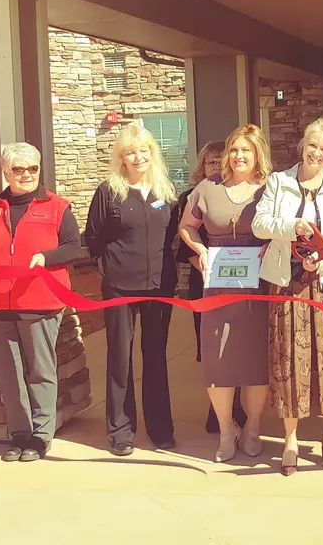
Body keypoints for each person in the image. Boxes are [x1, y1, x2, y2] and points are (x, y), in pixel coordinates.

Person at [253, 118, 323, 475]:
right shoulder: (279, 182)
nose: (317, 153)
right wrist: (292, 227)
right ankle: (290, 439)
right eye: (313, 145)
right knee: (290, 361)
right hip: (289, 283)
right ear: (302, 146)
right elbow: (259, 225)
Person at [0, 143, 80, 462]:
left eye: (32, 168)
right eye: (18, 169)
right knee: (9, 372)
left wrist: (45, 257)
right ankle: (19, 433)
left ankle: (41, 435)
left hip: (40, 301)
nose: (26, 174)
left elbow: (73, 246)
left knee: (40, 370)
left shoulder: (57, 206)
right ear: (5, 172)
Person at [84, 123, 179, 456]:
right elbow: (92, 240)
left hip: (159, 287)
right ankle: (120, 430)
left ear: (152, 153)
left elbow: (174, 240)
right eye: (130, 152)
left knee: (155, 358)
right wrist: (111, 263)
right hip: (121, 287)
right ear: (121, 158)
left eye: (143, 150)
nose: (138, 157)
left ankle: (160, 429)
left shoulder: (165, 192)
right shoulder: (108, 192)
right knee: (120, 358)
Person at [179, 124, 271, 463]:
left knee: (255, 361)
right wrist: (200, 249)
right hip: (216, 284)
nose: (239, 156)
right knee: (218, 361)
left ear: (258, 154)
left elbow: (283, 229)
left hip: (258, 286)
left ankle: (253, 428)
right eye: (234, 149)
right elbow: (187, 226)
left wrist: (272, 247)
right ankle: (226, 430)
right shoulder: (207, 188)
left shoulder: (269, 190)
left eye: (246, 150)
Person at [177, 140, 247, 434]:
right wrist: (208, 268)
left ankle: (239, 405)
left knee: (241, 344)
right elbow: (182, 246)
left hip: (243, 281)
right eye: (210, 162)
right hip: (204, 281)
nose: (216, 167)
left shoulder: (241, 195)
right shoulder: (190, 197)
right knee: (212, 347)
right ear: (201, 167)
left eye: (221, 161)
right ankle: (216, 409)